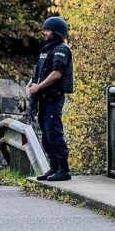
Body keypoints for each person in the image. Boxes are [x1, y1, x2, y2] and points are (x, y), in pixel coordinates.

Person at [26, 16, 74, 182]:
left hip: (53, 98)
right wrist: (30, 85)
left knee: (54, 133)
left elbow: (56, 73)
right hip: (44, 99)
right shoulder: (46, 50)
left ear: (56, 32)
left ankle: (63, 170)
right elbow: (39, 72)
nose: (45, 33)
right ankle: (53, 168)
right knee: (46, 136)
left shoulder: (61, 49)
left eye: (48, 30)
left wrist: (37, 87)